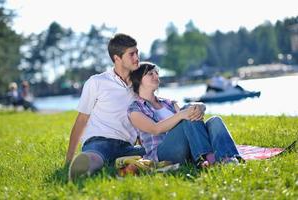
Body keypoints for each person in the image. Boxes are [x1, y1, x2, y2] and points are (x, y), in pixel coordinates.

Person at [128, 62, 242, 167]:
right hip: (163, 154)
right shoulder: (135, 109)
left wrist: (201, 106)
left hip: (187, 149)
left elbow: (190, 119)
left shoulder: (168, 103)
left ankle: (228, 159)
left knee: (215, 121)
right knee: (186, 112)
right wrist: (182, 114)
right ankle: (208, 158)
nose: (156, 76)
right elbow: (155, 129)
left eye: (156, 73)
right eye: (150, 74)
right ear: (138, 80)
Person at [66, 33, 145, 180]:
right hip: (99, 142)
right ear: (117, 58)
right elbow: (82, 120)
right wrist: (69, 158)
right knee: (95, 158)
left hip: (127, 147)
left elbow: (141, 120)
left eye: (137, 53)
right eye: (131, 54)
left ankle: (123, 164)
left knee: (153, 152)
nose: (137, 58)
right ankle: (81, 169)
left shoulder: (139, 85)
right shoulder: (96, 82)